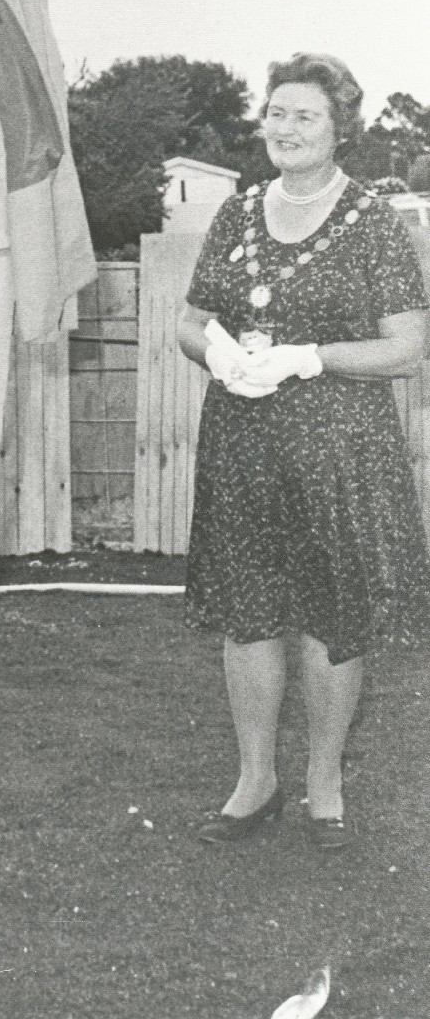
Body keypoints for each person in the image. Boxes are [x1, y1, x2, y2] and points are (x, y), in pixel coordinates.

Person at [177, 52, 430, 850]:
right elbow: (189, 318)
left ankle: (323, 783)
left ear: (338, 130)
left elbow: (406, 349)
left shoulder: (372, 222)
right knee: (247, 614)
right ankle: (255, 782)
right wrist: (212, 349)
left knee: (331, 617)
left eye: (304, 116)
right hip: (244, 441)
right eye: (275, 113)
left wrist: (309, 355)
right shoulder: (236, 212)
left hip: (338, 450)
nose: (283, 129)